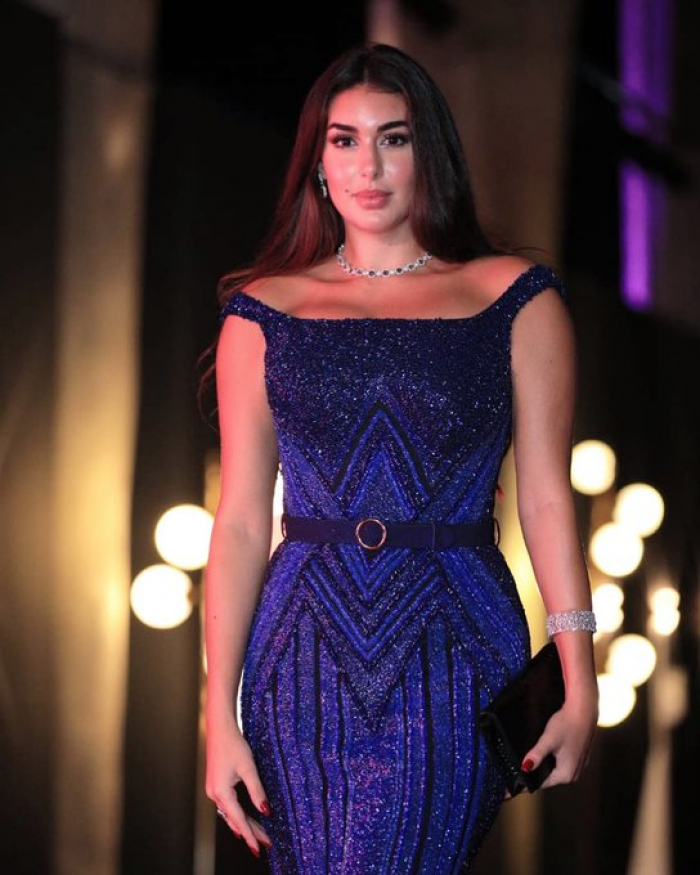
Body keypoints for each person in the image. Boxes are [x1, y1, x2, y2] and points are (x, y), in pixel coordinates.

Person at [201, 41, 598, 874]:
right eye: (344, 140)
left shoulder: (515, 299)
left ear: (431, 154)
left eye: (395, 138)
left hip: (455, 644)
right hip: (298, 653)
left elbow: (546, 498)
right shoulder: (261, 313)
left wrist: (579, 675)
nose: (368, 166)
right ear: (317, 162)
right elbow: (238, 521)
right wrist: (217, 716)